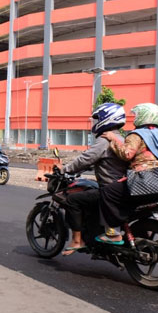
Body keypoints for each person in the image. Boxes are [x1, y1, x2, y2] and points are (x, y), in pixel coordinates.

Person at [98, 103, 158, 244]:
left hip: (144, 180)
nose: (134, 118)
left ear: (144, 116)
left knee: (108, 192)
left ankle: (113, 233)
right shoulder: (157, 135)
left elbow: (127, 154)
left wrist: (113, 139)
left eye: (136, 115)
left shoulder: (137, 135)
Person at [61, 103, 128, 256]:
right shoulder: (121, 139)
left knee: (72, 200)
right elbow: (104, 162)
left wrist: (65, 169)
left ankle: (77, 241)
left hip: (110, 188)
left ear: (107, 118)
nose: (95, 122)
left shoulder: (104, 140)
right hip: (122, 187)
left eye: (98, 118)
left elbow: (86, 158)